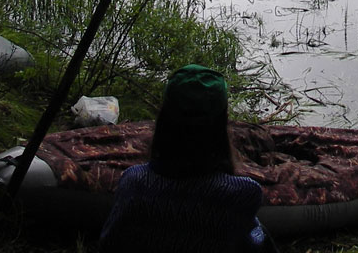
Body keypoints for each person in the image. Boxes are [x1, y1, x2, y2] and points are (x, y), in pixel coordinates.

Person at [99, 64, 276, 253]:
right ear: (220, 127)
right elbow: (255, 246)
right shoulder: (243, 193)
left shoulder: (134, 182)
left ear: (164, 122)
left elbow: (109, 243)